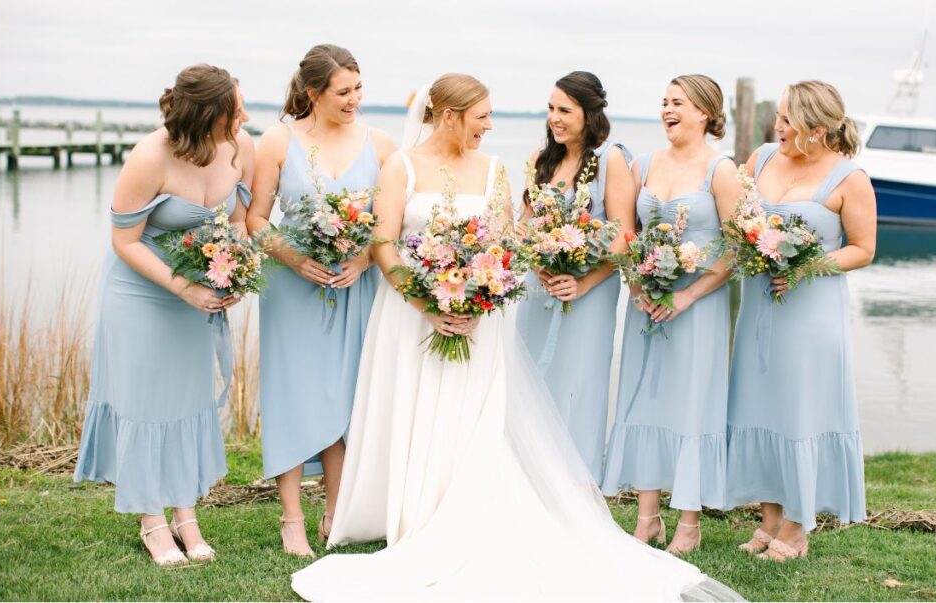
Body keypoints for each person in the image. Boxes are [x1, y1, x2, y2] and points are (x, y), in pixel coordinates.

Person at [289, 74, 741, 601]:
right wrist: (428, 298)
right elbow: (388, 240)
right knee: (425, 403)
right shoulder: (411, 165)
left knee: (497, 410)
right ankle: (417, 507)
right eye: (482, 116)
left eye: (561, 109)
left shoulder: (513, 168)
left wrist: (482, 291)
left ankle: (531, 501)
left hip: (486, 312)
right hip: (418, 311)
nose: (491, 125)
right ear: (451, 115)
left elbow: (514, 239)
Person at [74, 64, 255, 566]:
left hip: (198, 292)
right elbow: (124, 240)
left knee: (185, 399)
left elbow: (237, 221)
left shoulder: (243, 148)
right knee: (145, 403)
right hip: (142, 292)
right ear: (206, 116)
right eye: (235, 111)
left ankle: (186, 515)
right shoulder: (149, 156)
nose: (244, 117)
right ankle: (151, 521)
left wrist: (230, 273)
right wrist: (187, 288)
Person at [246, 44, 395, 556]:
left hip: (356, 286)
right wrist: (293, 259)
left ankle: (337, 511)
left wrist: (364, 260)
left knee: (346, 398)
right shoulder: (276, 140)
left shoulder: (380, 144)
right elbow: (256, 219)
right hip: (293, 287)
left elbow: (389, 224)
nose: (355, 99)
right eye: (343, 91)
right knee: (293, 394)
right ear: (313, 93)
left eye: (358, 89)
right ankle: (292, 519)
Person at [725, 80, 876, 562]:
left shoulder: (850, 178)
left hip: (810, 314)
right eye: (779, 117)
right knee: (759, 405)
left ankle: (796, 526)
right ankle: (769, 520)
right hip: (759, 305)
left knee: (800, 411)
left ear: (815, 128)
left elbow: (863, 249)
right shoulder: (763, 158)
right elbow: (739, 219)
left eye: (788, 119)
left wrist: (807, 266)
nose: (778, 126)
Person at [602, 75, 740, 555]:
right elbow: (627, 232)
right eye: (663, 102)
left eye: (677, 103)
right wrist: (638, 283)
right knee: (644, 398)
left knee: (690, 403)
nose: (667, 110)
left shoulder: (721, 171)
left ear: (704, 112)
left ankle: (689, 521)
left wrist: (686, 296)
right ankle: (646, 519)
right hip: (646, 305)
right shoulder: (644, 164)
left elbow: (737, 249)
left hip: (697, 307)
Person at [515, 71, 635, 481]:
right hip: (540, 288)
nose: (555, 118)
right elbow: (523, 228)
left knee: (577, 386)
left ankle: (575, 488)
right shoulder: (539, 161)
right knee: (531, 384)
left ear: (589, 113)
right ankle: (527, 484)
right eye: (551, 108)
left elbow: (622, 235)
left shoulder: (610, 160)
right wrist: (539, 263)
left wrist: (581, 282)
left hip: (590, 293)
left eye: (565, 110)